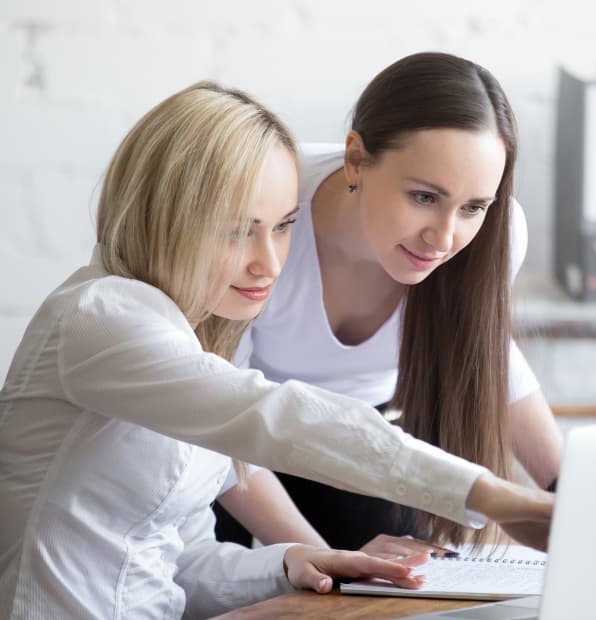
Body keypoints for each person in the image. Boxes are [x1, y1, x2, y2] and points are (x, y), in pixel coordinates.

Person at [0, 81, 551, 620]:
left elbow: (178, 557)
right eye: (238, 228)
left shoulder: (191, 337)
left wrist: (295, 559)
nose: (269, 262)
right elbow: (276, 419)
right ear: (165, 214)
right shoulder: (101, 318)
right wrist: (493, 496)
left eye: (284, 225)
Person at [212, 52, 564, 553]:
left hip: (365, 439)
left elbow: (486, 351)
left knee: (392, 603)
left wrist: (568, 494)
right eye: (424, 197)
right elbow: (218, 409)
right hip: (236, 441)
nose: (443, 238)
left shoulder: (496, 236)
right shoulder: (268, 217)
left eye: (472, 207)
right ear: (356, 159)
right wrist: (328, 563)